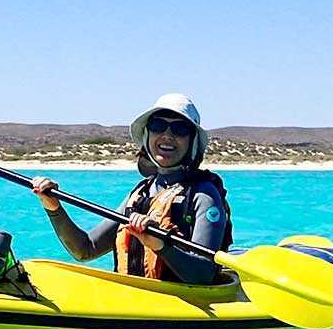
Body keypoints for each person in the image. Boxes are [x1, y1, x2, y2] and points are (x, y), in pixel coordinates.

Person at [29, 94, 233, 284]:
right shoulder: (140, 194)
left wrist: (161, 246)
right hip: (135, 299)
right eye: (158, 125)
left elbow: (203, 274)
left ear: (192, 142)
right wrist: (54, 208)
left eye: (180, 129)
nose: (167, 135)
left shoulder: (204, 195)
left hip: (182, 308)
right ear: (147, 134)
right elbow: (85, 249)